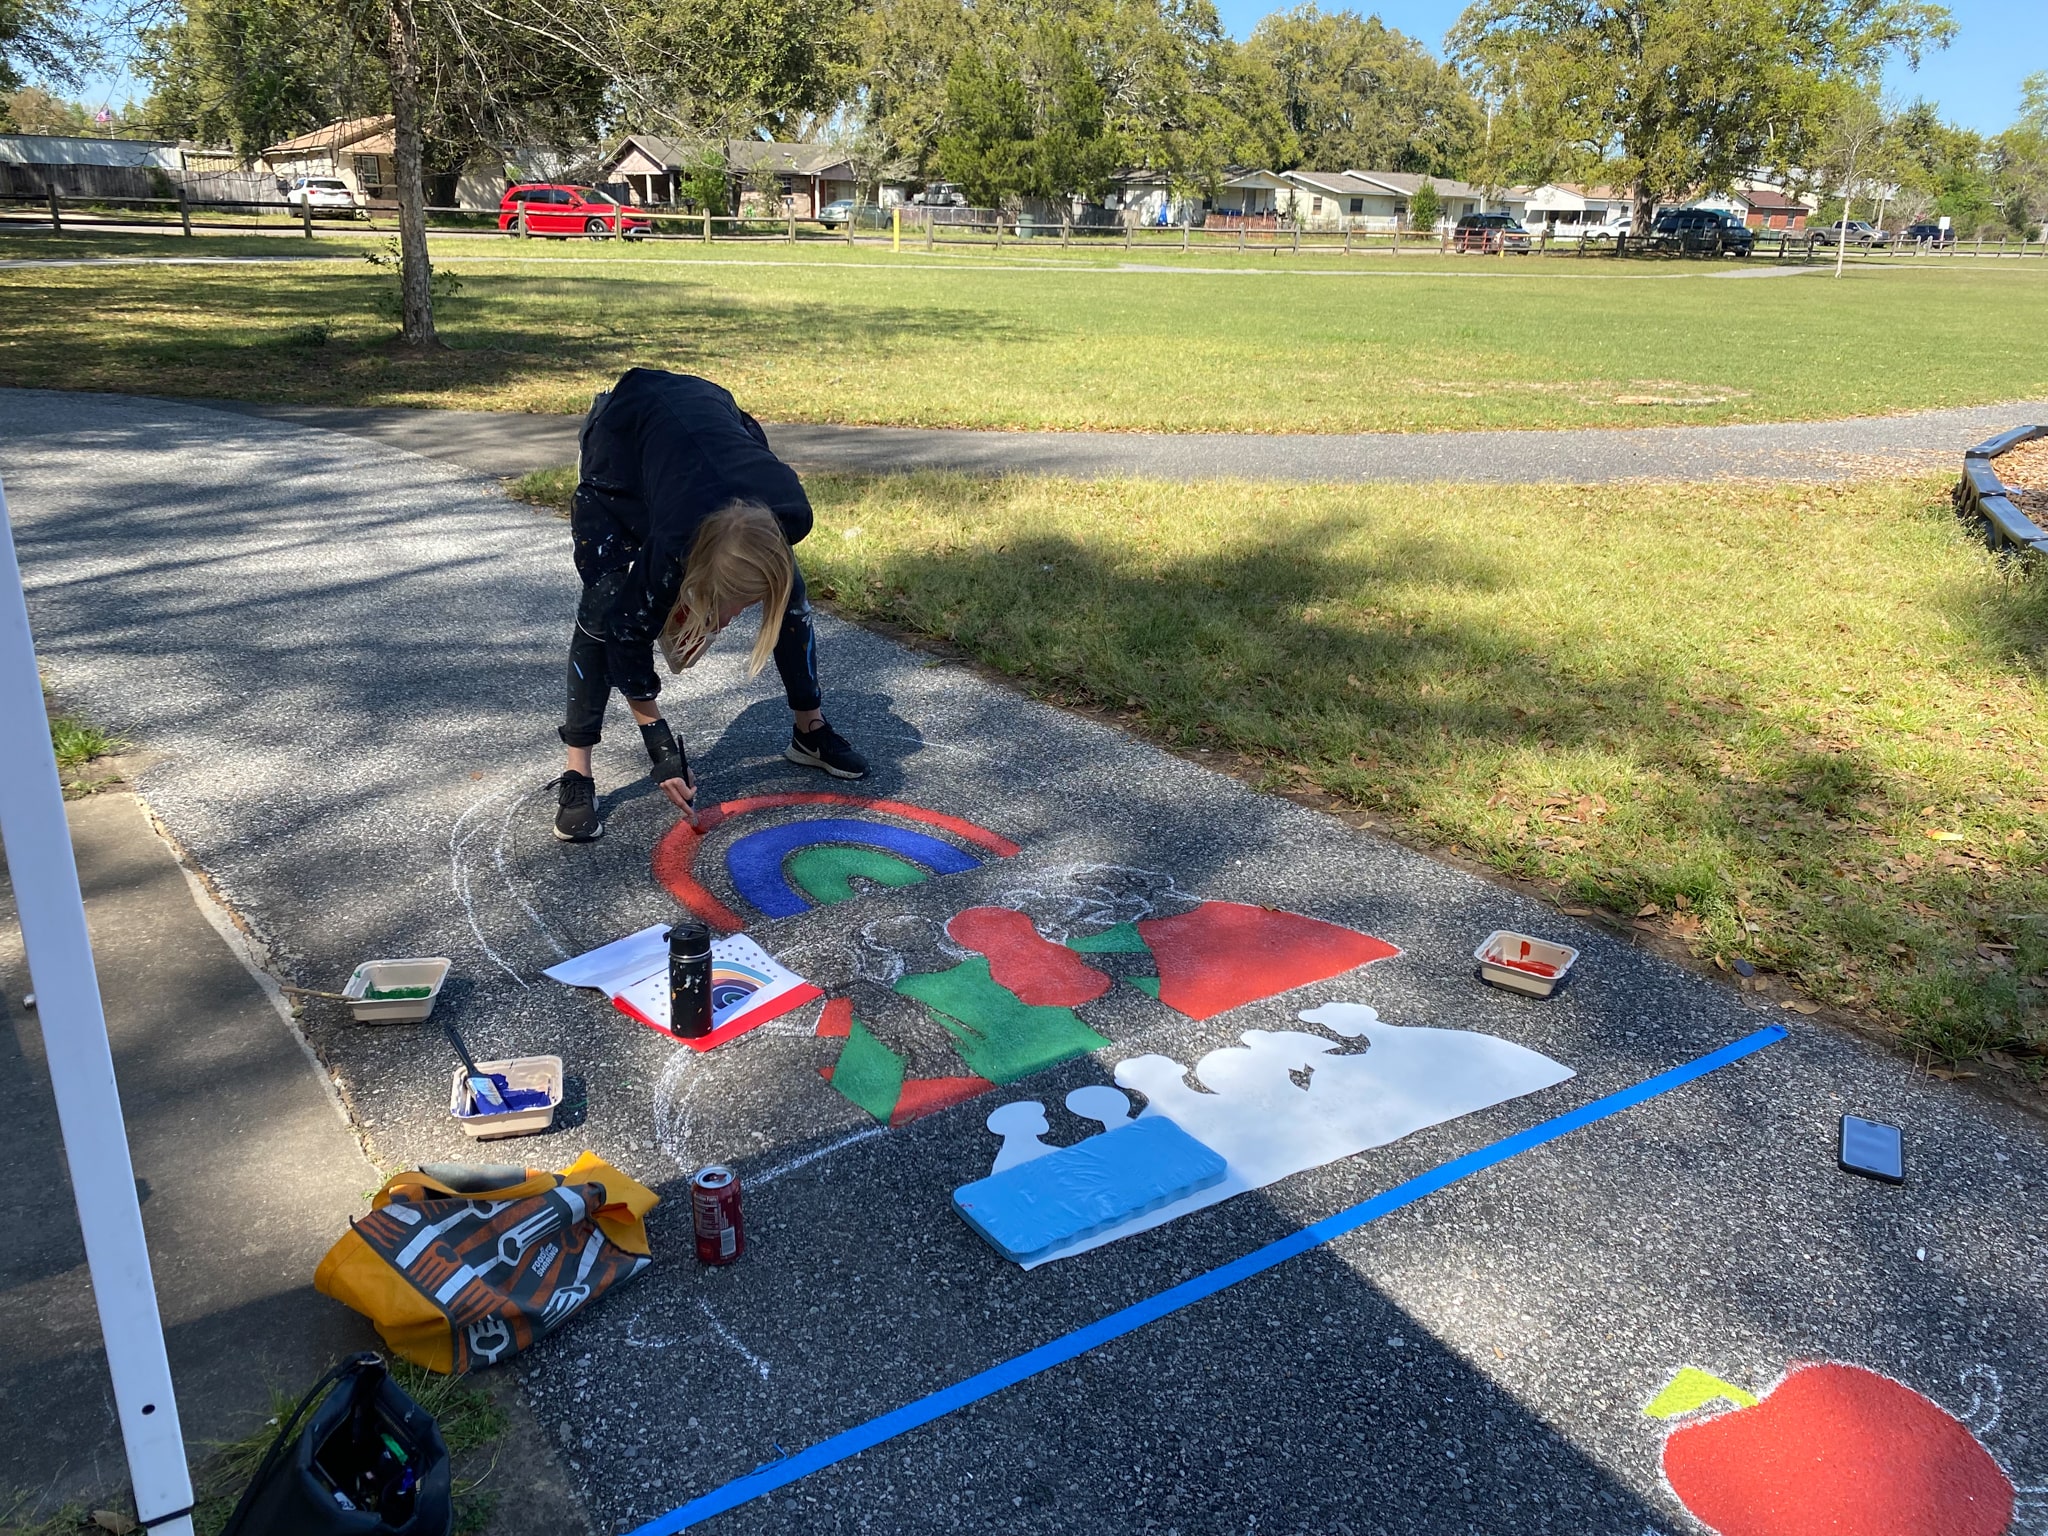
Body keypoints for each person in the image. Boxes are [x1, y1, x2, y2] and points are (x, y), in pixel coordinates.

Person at [553, 369, 866, 843]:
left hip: (714, 426)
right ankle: (579, 771)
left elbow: (767, 582)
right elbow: (627, 633)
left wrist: (739, 599)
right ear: (693, 574)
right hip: (621, 448)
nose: (730, 619)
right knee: (606, 609)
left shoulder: (790, 514)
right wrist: (661, 749)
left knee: (793, 599)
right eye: (725, 605)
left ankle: (810, 730)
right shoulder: (674, 540)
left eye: (743, 607)